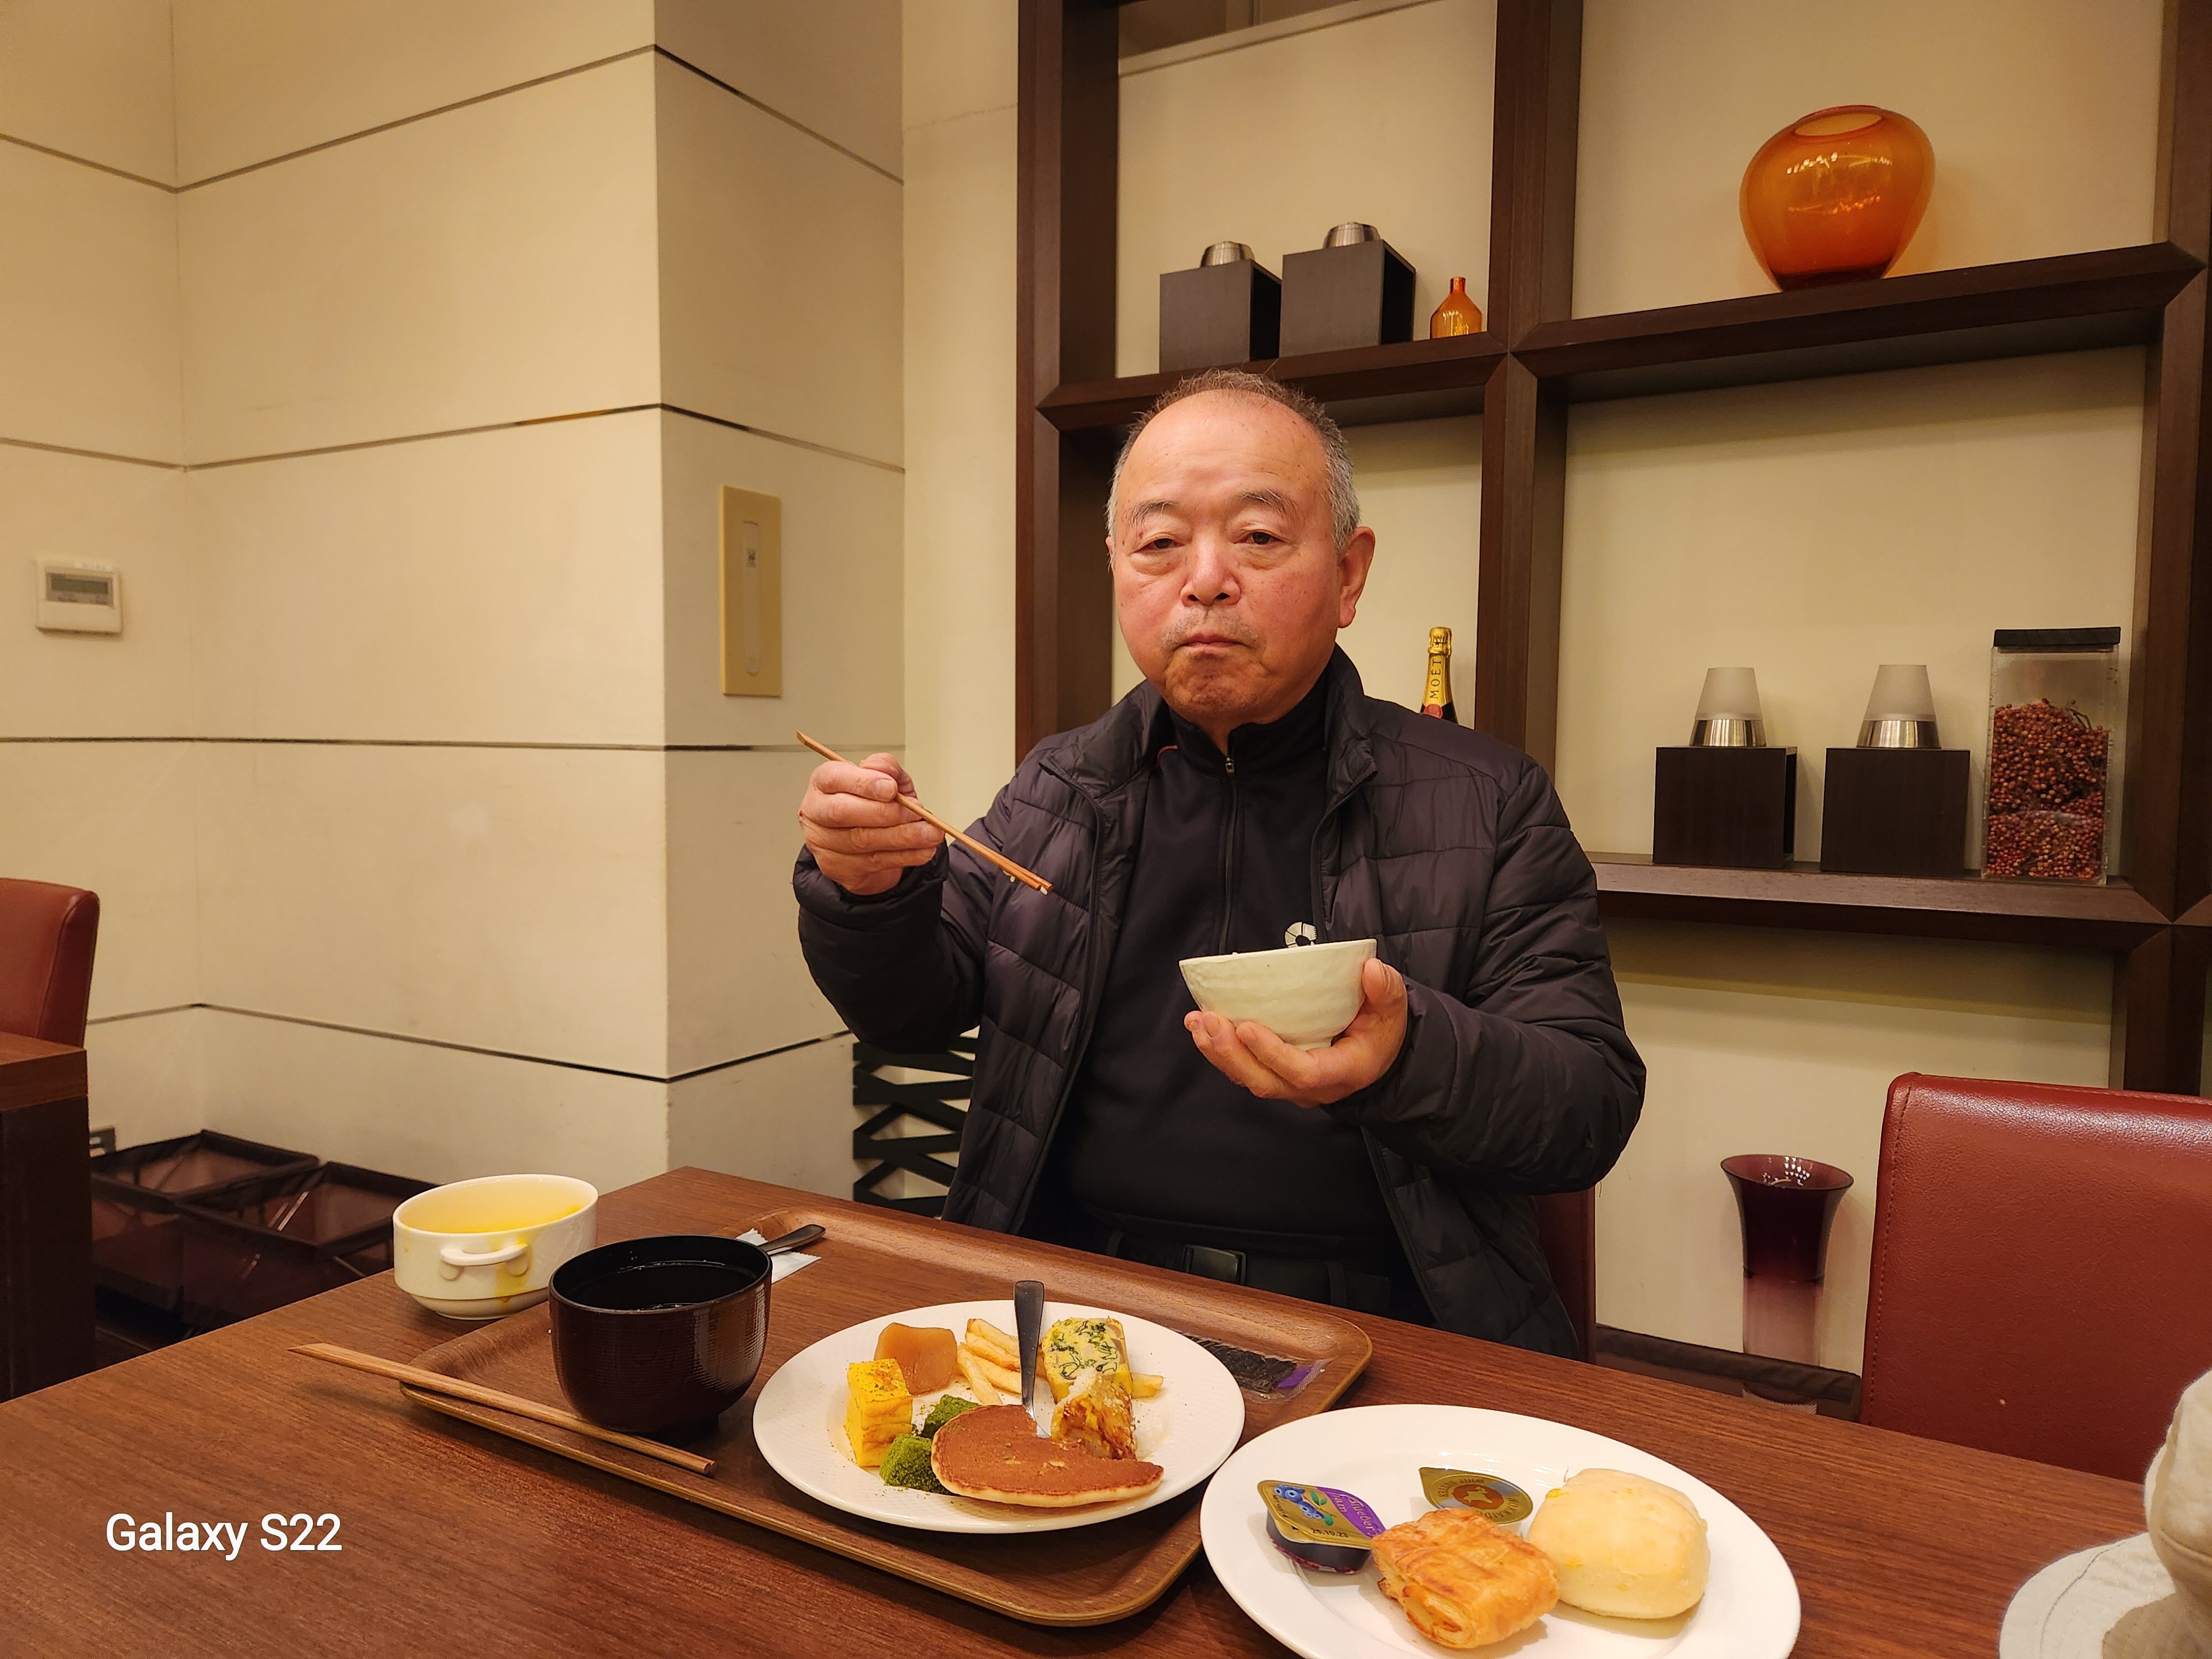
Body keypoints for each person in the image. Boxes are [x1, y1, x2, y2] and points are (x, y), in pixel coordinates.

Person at [793, 368, 1644, 1355]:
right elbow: (910, 1010)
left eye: (1258, 536)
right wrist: (868, 892)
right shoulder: (1061, 787)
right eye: (1159, 544)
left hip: (1385, 1317)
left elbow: (1588, 1108)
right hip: (1079, 1290)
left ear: (1350, 573)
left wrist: (1407, 1054)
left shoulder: (1485, 799)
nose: (1203, 580)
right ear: (1118, 566)